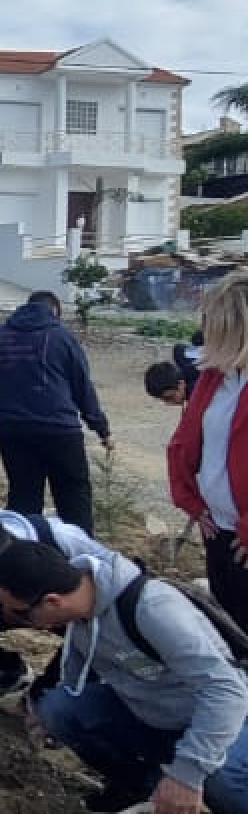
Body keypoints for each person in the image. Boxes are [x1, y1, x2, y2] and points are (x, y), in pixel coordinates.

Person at [0, 541, 248, 814]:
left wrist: (187, 774)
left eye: (20, 613)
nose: (16, 620)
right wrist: (37, 709)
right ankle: (136, 784)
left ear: (51, 602)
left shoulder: (153, 609)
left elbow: (227, 692)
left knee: (219, 776)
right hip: (149, 712)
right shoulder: (80, 612)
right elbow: (74, 676)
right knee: (59, 709)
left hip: (220, 719)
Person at [0, 511, 138, 790]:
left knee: (64, 691)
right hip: (25, 607)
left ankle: (44, 701)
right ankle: (9, 674)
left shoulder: (67, 543)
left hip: (70, 613)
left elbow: (119, 592)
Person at [0, 289, 111, 534]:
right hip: (61, 433)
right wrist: (101, 428)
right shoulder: (63, 338)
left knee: (24, 499)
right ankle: (79, 562)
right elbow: (83, 388)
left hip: (14, 433)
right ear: (54, 311)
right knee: (74, 499)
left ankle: (22, 562)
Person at [168, 270, 248, 631]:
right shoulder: (215, 377)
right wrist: (192, 501)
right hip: (219, 529)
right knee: (231, 628)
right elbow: (185, 443)